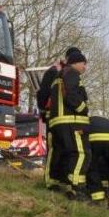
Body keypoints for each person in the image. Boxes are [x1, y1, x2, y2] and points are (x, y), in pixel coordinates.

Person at [37, 47, 81, 189]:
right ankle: (51, 181)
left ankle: (60, 180)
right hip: (54, 116)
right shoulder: (55, 71)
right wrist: (45, 110)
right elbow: (43, 94)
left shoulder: (64, 72)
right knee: (55, 148)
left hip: (62, 118)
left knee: (63, 149)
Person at [49, 51, 90, 200]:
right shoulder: (71, 72)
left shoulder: (59, 75)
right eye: (84, 64)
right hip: (70, 121)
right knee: (81, 153)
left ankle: (65, 185)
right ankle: (77, 189)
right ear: (76, 63)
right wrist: (83, 108)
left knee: (65, 155)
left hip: (59, 122)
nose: (85, 67)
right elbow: (71, 94)